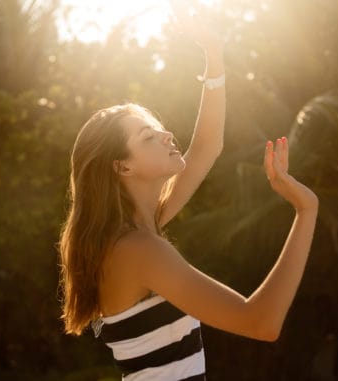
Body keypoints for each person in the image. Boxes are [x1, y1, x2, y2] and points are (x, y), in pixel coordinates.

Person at [57, 7, 319, 381]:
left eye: (159, 128)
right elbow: (261, 322)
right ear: (122, 167)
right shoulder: (138, 249)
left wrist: (214, 56)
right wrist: (306, 211)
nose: (166, 135)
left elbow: (207, 146)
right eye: (148, 137)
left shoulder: (139, 230)